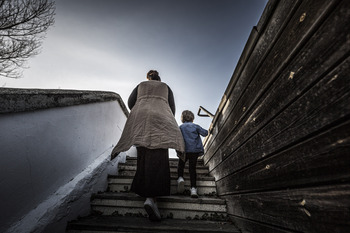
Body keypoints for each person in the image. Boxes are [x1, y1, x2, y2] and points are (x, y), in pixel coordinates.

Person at [111, 70, 184, 221]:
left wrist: (142, 108)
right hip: (161, 118)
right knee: (159, 155)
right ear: (159, 78)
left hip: (141, 118)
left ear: (148, 78)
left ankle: (146, 193)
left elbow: (131, 102)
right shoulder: (165, 87)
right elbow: (172, 107)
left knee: (143, 154)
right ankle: (152, 199)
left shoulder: (141, 85)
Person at [177, 110, 208, 198]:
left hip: (184, 150)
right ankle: (193, 189)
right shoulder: (195, 126)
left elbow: (177, 138)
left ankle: (180, 178)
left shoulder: (180, 127)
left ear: (182, 118)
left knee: (181, 165)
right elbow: (205, 133)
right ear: (192, 118)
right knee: (192, 169)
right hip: (194, 151)